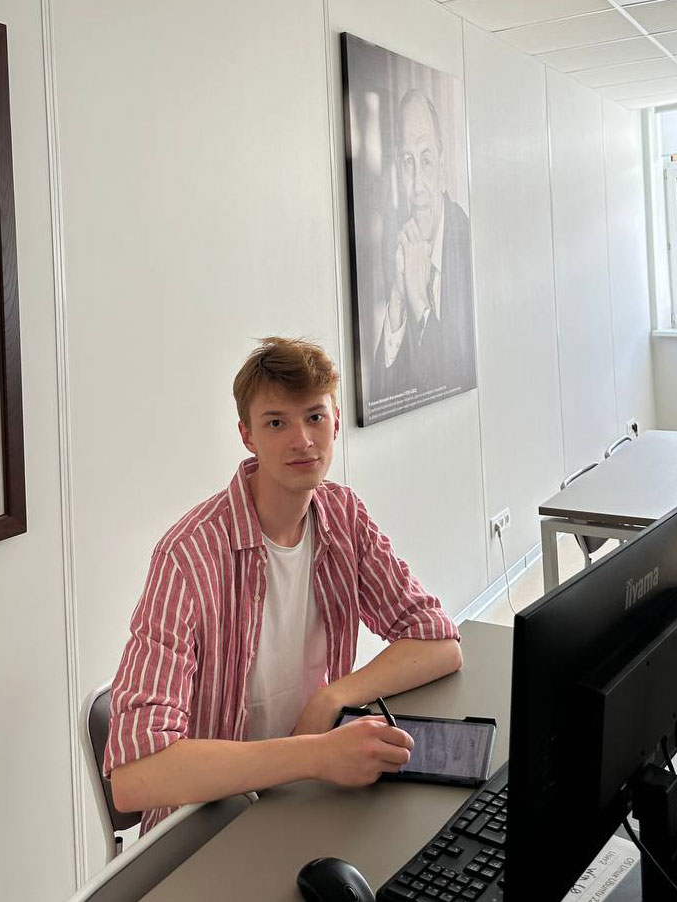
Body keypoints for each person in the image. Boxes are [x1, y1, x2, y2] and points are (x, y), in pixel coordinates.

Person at [105, 337, 462, 834]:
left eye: (314, 417)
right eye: (277, 423)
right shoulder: (187, 557)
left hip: (309, 795)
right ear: (247, 435)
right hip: (213, 823)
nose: (302, 440)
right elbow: (134, 777)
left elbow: (439, 641)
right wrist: (313, 755)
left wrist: (330, 699)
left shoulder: (342, 514)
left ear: (336, 420)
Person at [373, 89, 476, 402]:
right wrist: (398, 300)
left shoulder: (468, 241)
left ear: (442, 168)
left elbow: (459, 380)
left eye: (426, 160)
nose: (417, 185)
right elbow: (379, 395)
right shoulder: (397, 246)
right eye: (408, 162)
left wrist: (420, 302)